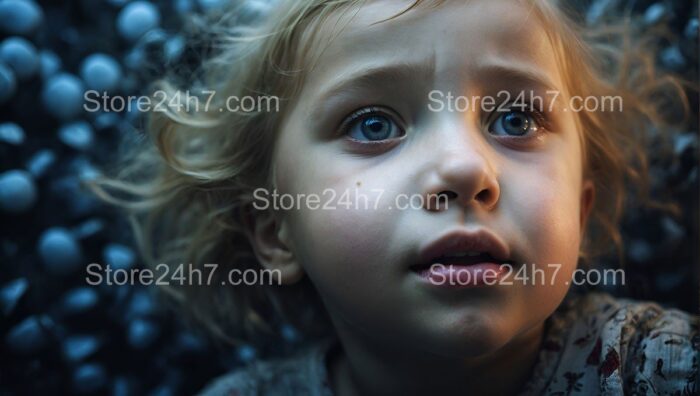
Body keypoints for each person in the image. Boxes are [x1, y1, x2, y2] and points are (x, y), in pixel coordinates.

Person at [93, 1, 698, 395]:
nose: (464, 168)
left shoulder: (659, 366)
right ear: (277, 233)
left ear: (580, 211)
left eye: (515, 119)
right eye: (373, 125)